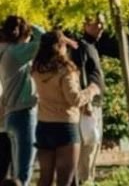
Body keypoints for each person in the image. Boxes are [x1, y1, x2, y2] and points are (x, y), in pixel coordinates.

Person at [32, 30, 101, 186]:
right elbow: (74, 99)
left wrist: (62, 40)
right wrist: (91, 90)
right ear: (60, 46)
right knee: (65, 180)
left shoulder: (37, 68)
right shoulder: (66, 70)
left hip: (43, 125)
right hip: (65, 126)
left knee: (45, 178)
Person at [0, 16, 44, 184]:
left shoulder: (5, 51)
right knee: (24, 170)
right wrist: (34, 26)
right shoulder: (17, 52)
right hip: (24, 113)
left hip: (10, 114)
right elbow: (45, 41)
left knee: (13, 169)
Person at [70, 16, 105, 186]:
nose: (100, 26)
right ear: (85, 24)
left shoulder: (91, 45)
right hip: (88, 103)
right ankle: (83, 180)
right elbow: (80, 74)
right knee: (88, 144)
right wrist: (87, 103)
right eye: (96, 23)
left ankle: (87, 178)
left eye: (102, 23)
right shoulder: (82, 46)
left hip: (95, 101)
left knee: (93, 143)